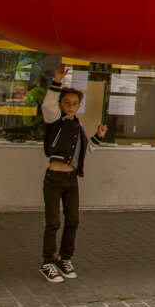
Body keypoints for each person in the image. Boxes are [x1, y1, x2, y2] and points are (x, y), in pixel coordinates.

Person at [40, 64, 106, 283]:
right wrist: (57, 80)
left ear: (79, 106)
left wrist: (98, 137)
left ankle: (64, 258)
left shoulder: (78, 126)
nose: (70, 106)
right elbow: (48, 105)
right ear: (61, 105)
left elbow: (84, 151)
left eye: (74, 103)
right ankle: (48, 262)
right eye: (66, 103)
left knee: (73, 220)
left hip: (71, 180)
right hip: (54, 178)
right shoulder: (55, 121)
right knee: (53, 222)